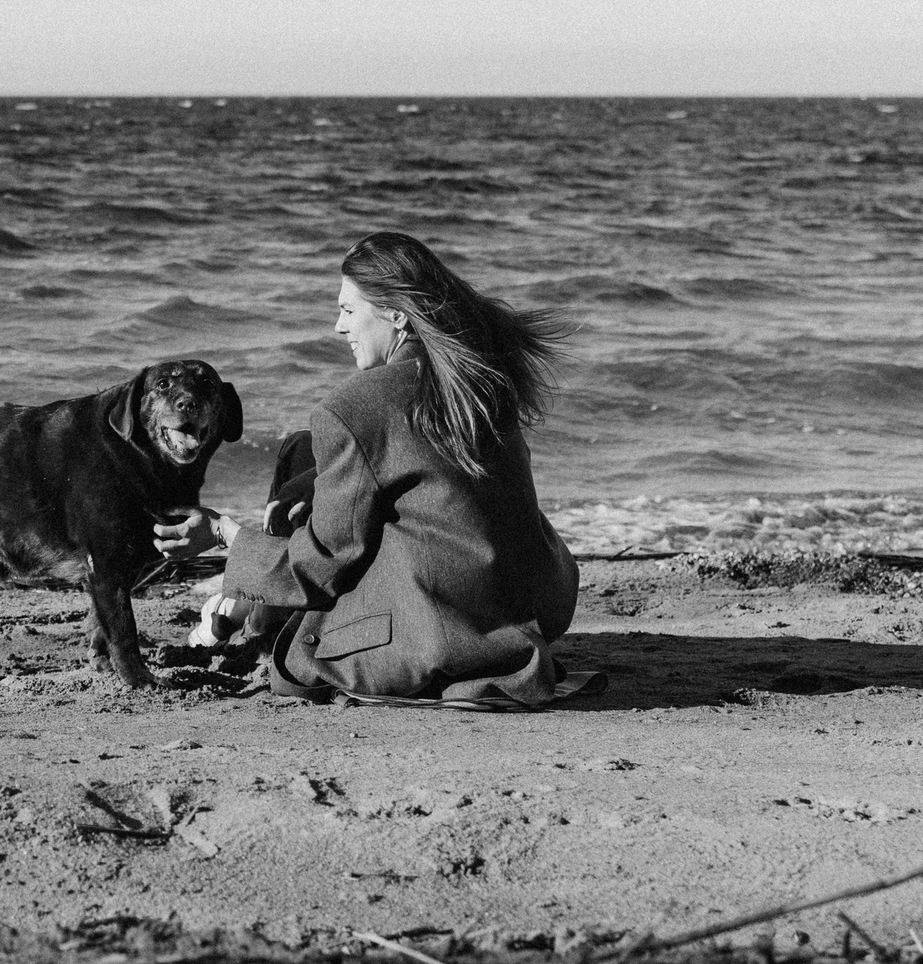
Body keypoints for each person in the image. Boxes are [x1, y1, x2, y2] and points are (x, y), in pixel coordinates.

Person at [152, 232, 594, 707]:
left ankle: (249, 612)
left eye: (348, 310)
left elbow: (319, 568)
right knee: (303, 451)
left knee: (300, 654)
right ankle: (249, 609)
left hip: (445, 628)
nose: (338, 328)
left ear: (397, 315)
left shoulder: (355, 408)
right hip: (533, 601)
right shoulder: (479, 378)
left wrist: (223, 533)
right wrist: (316, 481)